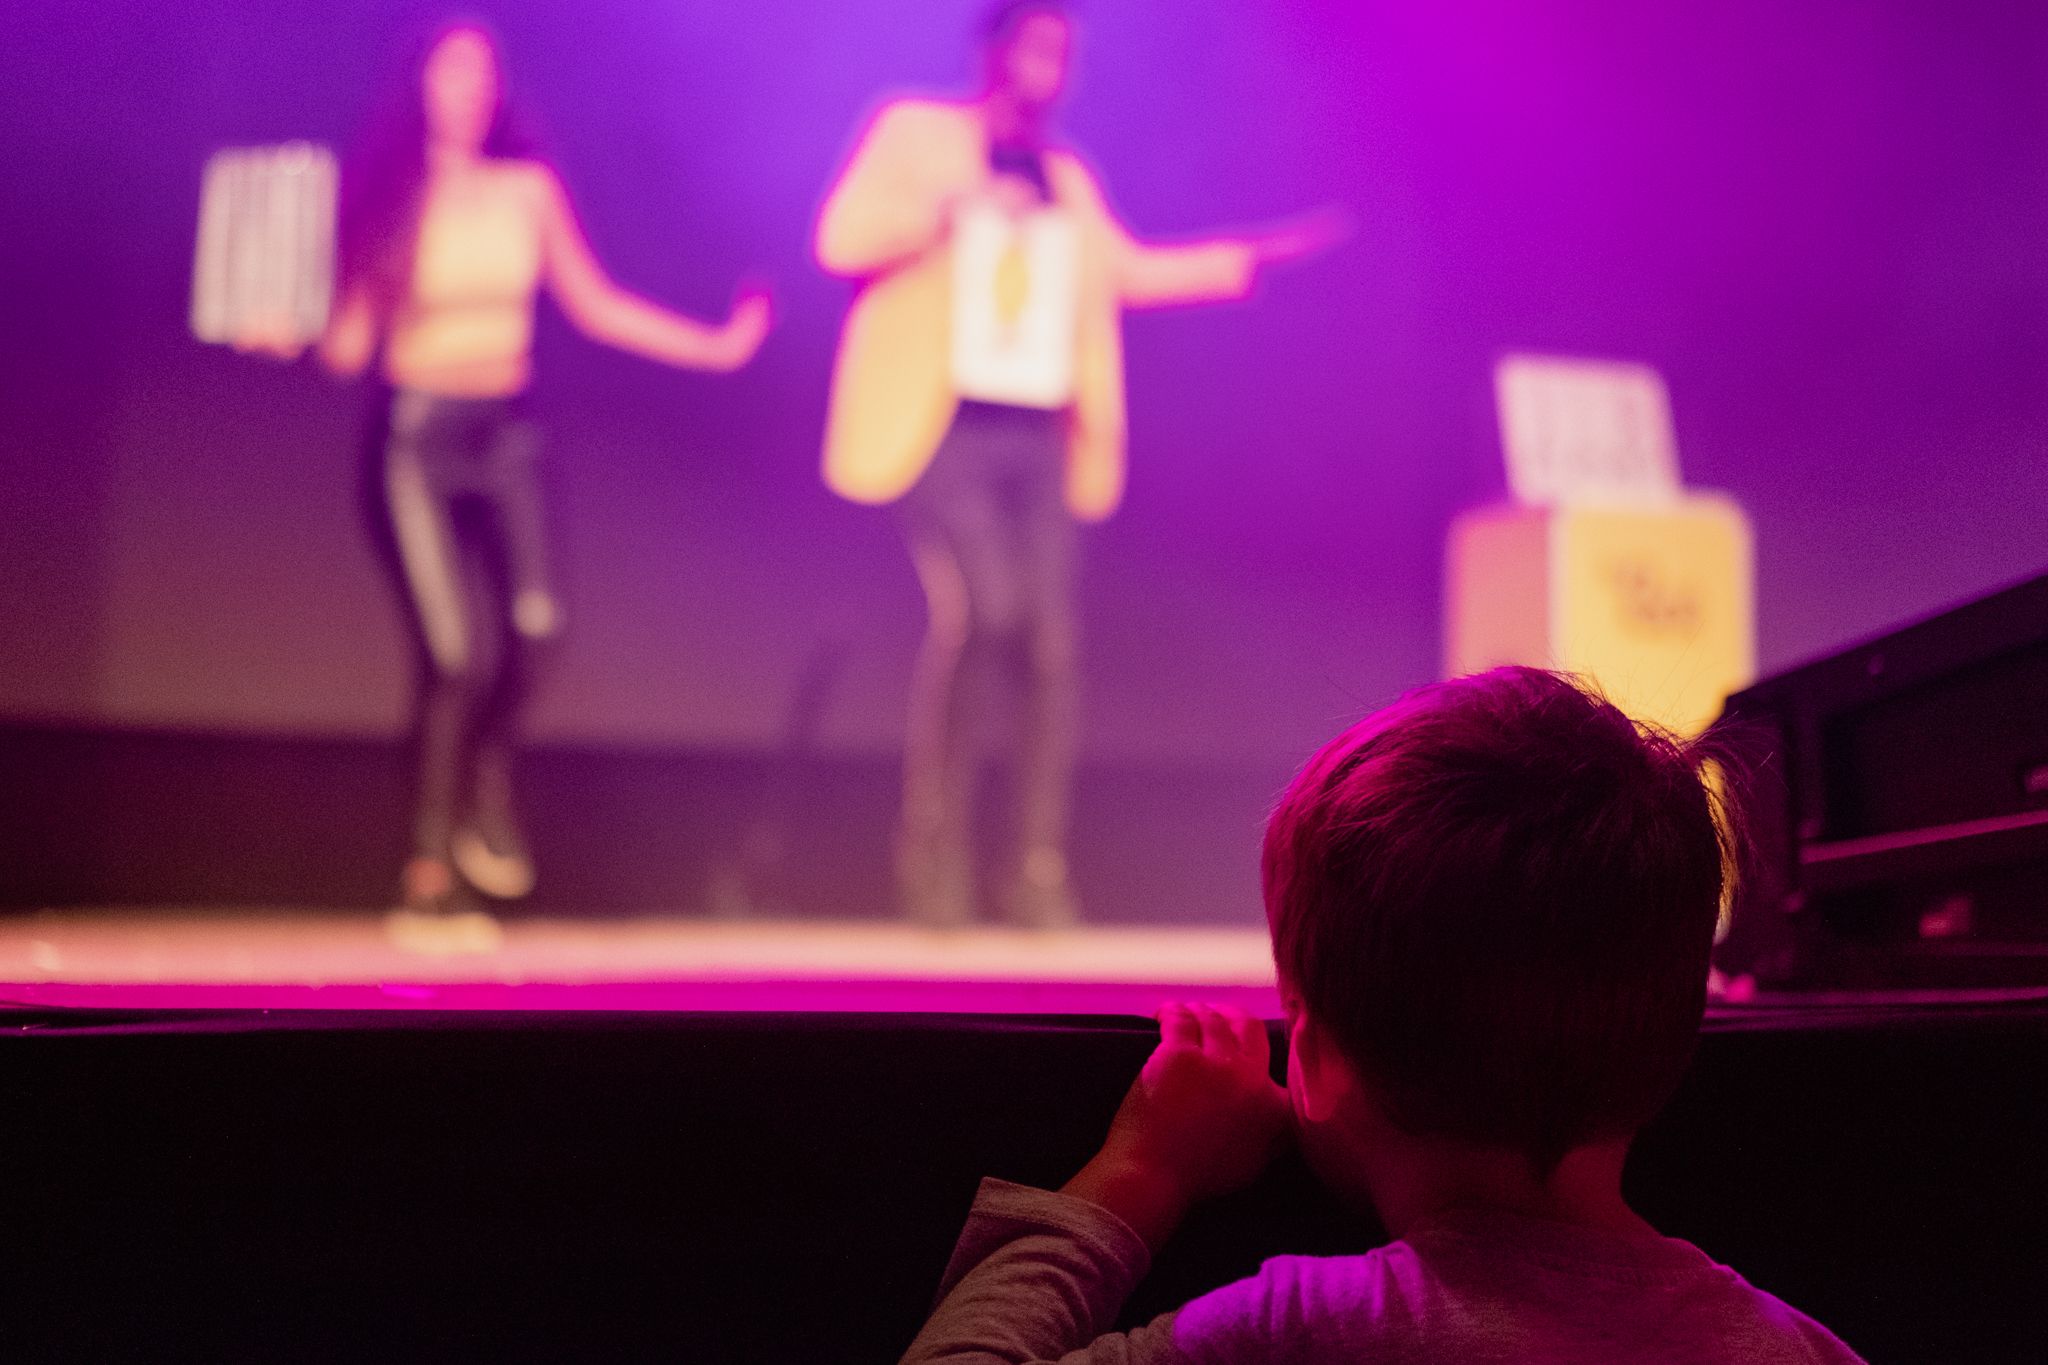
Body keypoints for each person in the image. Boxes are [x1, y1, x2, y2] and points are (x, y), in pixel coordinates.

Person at [901, 667, 1867, 1363]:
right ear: (1670, 1039)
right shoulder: (1798, 1349)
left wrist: (1138, 1171)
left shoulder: (1302, 1332)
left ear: (1312, 1063)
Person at [814, 0, 1344, 929]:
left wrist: (1239, 261)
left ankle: (1032, 871)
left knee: (1050, 649)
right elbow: (841, 240)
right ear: (995, 52)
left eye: (1064, 52)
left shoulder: (1067, 175)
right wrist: (949, 209)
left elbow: (1124, 272)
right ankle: (931, 857)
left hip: (1038, 434)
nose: (1051, 68)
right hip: (945, 426)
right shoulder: (917, 133)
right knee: (985, 613)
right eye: (1037, 46)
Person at [314, 21, 772, 929]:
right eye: (452, 70)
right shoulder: (392, 195)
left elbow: (594, 304)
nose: (470, 87)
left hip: (507, 432)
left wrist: (714, 348)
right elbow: (350, 345)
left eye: (484, 71)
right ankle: (428, 872)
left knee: (538, 625)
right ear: (421, 84)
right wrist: (296, 330)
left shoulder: (526, 189)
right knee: (451, 655)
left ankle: (487, 775)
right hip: (416, 438)